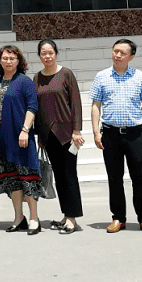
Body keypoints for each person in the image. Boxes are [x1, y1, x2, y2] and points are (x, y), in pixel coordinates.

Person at [90, 38, 142, 235]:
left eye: (122, 53)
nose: (117, 55)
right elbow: (95, 106)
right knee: (114, 178)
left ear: (131, 56)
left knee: (139, 177)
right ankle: (118, 217)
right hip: (110, 134)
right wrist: (95, 132)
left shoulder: (139, 77)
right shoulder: (102, 76)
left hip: (135, 134)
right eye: (115, 51)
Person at [33, 39, 85, 234]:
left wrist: (77, 130)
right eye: (43, 53)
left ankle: (72, 218)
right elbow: (36, 108)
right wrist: (39, 135)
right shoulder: (37, 78)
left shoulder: (66, 74)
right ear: (39, 56)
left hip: (66, 134)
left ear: (56, 54)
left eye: (50, 53)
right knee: (59, 177)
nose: (47, 56)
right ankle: (66, 214)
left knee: (69, 176)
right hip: (48, 136)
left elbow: (76, 104)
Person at [0, 44, 42, 235]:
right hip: (2, 141)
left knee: (28, 178)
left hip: (21, 139)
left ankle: (34, 218)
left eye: (12, 58)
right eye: (5, 58)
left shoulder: (24, 81)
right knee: (11, 180)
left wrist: (25, 130)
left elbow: (32, 107)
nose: (8, 61)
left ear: (18, 61)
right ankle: (18, 218)